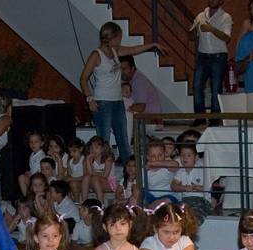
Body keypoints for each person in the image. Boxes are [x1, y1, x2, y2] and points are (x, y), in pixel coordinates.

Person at [79, 22, 164, 164]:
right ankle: (103, 171)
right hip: (103, 102)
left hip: (118, 101)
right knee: (104, 140)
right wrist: (90, 99)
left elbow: (134, 50)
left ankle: (128, 171)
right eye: (118, 37)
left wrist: (153, 45)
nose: (120, 40)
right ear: (111, 37)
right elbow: (83, 78)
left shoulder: (115, 51)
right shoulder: (96, 55)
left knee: (123, 139)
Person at [189, 0, 232, 120]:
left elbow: (227, 38)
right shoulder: (201, 15)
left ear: (221, 0)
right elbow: (191, 37)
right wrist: (194, 30)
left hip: (218, 57)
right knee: (197, 86)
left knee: (215, 88)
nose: (212, 0)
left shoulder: (225, 17)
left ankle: (214, 118)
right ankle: (199, 117)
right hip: (202, 56)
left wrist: (211, 29)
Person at [171, 142, 209, 220]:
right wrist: (183, 188)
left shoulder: (201, 170)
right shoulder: (180, 171)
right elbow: (173, 186)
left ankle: (192, 224)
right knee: (176, 211)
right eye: (182, 155)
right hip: (185, 200)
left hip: (200, 199)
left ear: (196, 157)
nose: (185, 158)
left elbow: (208, 187)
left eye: (188, 155)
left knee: (195, 212)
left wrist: (196, 187)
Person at [82, 136, 114, 203]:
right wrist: (88, 160)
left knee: (94, 178)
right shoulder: (88, 159)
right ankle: (84, 202)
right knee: (86, 177)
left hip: (109, 183)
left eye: (96, 148)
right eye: (91, 148)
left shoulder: (108, 158)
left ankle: (101, 203)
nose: (93, 150)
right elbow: (89, 174)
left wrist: (93, 173)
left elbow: (105, 175)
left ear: (102, 149)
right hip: (94, 183)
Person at [17, 131, 46, 199]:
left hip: (39, 181)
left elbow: (41, 172)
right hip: (33, 178)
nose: (33, 144)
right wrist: (29, 173)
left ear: (42, 143)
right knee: (21, 177)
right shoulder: (32, 154)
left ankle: (28, 199)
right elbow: (32, 169)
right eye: (31, 142)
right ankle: (28, 198)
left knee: (21, 178)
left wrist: (31, 175)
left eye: (36, 142)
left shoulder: (41, 156)